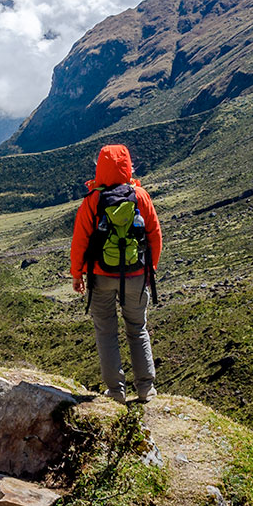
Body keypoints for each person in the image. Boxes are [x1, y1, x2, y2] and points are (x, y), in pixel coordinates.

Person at [70, 143, 161, 404]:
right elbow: (154, 233)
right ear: (127, 165)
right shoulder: (140, 196)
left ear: (100, 168)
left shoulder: (93, 200)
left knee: (106, 332)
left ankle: (116, 392)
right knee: (138, 328)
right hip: (135, 275)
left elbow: (80, 241)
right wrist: (149, 269)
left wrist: (78, 274)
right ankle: (146, 389)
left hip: (101, 277)